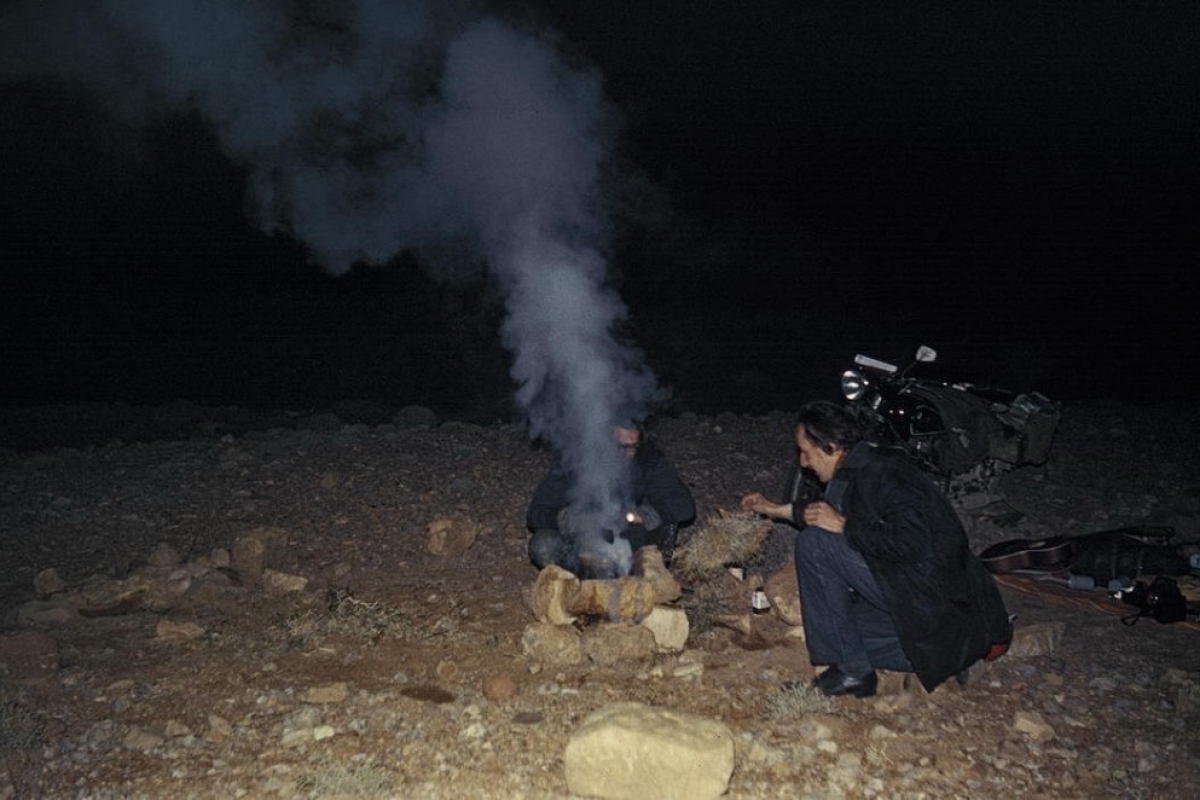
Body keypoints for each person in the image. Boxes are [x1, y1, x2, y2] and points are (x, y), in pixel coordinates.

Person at [740, 400, 1011, 697]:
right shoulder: (856, 466)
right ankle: (953, 655)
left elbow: (913, 541)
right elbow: (822, 512)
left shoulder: (886, 473)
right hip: (931, 608)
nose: (803, 463)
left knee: (815, 543)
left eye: (806, 452)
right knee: (832, 627)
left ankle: (854, 672)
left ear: (830, 447)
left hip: (941, 603)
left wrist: (845, 526)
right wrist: (774, 509)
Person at [527, 420, 695, 575]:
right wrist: (570, 518)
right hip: (582, 544)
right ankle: (576, 583)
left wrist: (641, 515)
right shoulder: (575, 459)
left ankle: (645, 578)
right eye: (618, 447)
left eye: (631, 447)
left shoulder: (647, 459)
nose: (624, 454)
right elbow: (537, 512)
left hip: (628, 544)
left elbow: (684, 505)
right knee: (543, 544)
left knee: (667, 525)